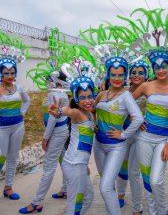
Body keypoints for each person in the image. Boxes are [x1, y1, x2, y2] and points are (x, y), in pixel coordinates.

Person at [94, 48, 144, 215]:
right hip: (98, 145)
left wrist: (123, 134)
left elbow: (138, 118)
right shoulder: (101, 94)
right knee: (108, 186)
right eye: (113, 74)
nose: (117, 78)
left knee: (105, 187)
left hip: (116, 146)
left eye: (121, 75)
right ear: (108, 75)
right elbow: (91, 110)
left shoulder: (126, 96)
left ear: (125, 76)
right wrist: (94, 123)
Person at [132, 42, 168, 215]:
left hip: (162, 140)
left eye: (164, 66)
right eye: (157, 67)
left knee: (156, 181)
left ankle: (163, 210)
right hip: (144, 138)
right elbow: (127, 103)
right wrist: (135, 119)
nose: (160, 70)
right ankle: (153, 212)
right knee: (146, 179)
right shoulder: (146, 86)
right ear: (153, 68)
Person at [20, 71, 70, 213]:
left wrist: (45, 138)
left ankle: (37, 202)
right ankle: (66, 189)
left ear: (57, 81)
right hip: (60, 131)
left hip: (56, 132)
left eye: (49, 79)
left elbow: (53, 118)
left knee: (49, 167)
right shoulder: (59, 93)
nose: (47, 81)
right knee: (64, 161)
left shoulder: (56, 94)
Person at [47, 75, 97, 215]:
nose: (87, 101)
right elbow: (66, 111)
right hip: (74, 164)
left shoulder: (90, 114)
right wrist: (57, 112)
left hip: (80, 164)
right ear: (76, 99)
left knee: (88, 198)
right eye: (82, 98)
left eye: (90, 96)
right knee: (75, 203)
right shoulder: (76, 113)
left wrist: (85, 165)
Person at [116, 60, 149, 213]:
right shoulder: (123, 92)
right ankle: (120, 195)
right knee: (121, 168)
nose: (136, 75)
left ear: (146, 75)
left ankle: (137, 207)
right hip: (122, 134)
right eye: (134, 72)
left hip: (140, 136)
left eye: (140, 72)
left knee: (134, 172)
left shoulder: (150, 92)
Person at [0, 45, 30, 201]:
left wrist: (23, 112)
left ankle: (8, 188)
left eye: (12, 73)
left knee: (12, 157)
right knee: (1, 156)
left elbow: (27, 101)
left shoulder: (18, 88)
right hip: (2, 128)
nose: (10, 76)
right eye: (6, 73)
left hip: (18, 126)